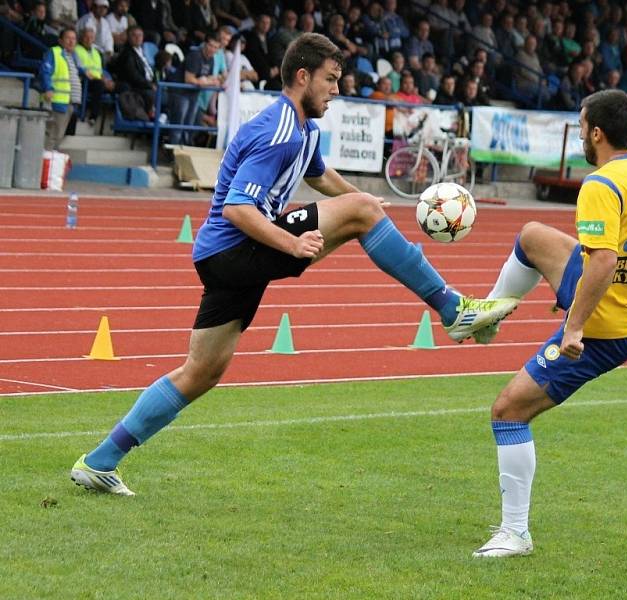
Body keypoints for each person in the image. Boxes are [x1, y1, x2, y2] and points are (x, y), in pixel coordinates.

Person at [70, 33, 517, 496]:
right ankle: (452, 309)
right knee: (361, 213)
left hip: (224, 257)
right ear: (302, 77)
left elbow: (318, 174)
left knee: (200, 372)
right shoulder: (277, 131)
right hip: (235, 248)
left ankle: (100, 461)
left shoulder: (304, 129)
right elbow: (237, 209)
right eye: (330, 79)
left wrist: (360, 200)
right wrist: (292, 243)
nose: (336, 90)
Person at [470, 90, 627, 558]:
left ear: (596, 133)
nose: (580, 134)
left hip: (604, 329)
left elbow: (602, 261)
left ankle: (515, 533)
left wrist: (575, 323)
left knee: (508, 411)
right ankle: (489, 315)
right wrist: (572, 288)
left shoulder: (600, 185)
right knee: (533, 236)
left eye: (582, 127)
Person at [40, 27, 83, 151]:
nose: (71, 41)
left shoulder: (73, 56)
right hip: (57, 101)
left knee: (58, 137)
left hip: (69, 103)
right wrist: (48, 88)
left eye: (74, 39)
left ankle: (49, 164)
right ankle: (43, 165)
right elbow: (45, 72)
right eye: (68, 38)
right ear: (60, 40)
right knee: (52, 136)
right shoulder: (54, 52)